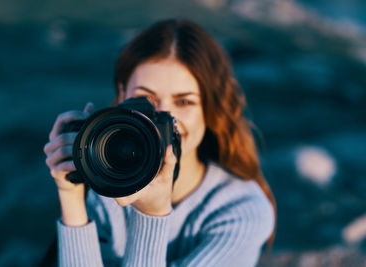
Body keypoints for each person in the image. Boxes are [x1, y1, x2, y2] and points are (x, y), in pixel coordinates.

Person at [44, 19, 276, 267]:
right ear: (122, 96)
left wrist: (151, 214)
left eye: (184, 102)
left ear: (210, 109)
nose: (163, 118)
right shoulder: (107, 187)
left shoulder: (242, 211)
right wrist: (71, 194)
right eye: (145, 99)